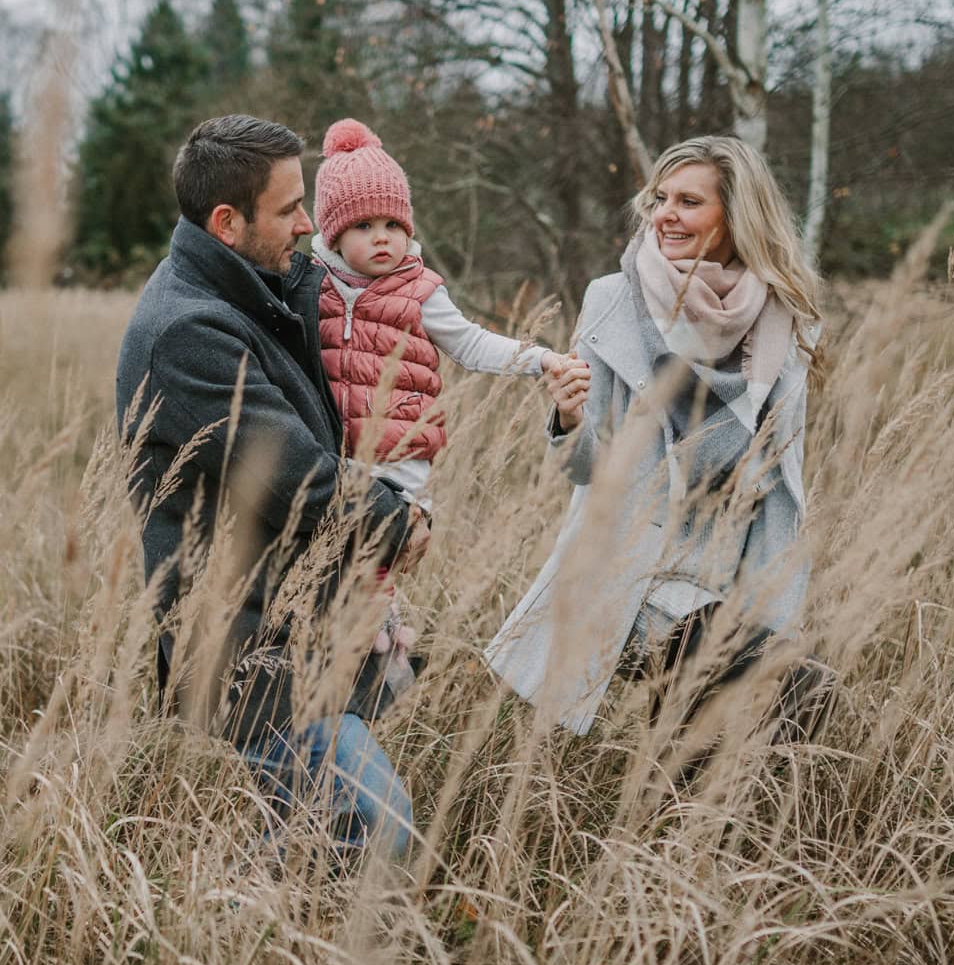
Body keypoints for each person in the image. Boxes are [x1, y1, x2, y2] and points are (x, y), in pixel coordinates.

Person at [115, 113, 431, 862]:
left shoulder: (261, 287)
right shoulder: (190, 332)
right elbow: (299, 477)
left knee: (307, 841)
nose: (309, 223)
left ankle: (255, 919)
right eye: (290, 208)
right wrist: (397, 521)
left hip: (306, 625)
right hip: (250, 651)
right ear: (227, 222)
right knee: (380, 826)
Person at [483, 134, 834, 747]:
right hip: (630, 570)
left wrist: (774, 606)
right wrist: (568, 420)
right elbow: (586, 469)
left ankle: (683, 809)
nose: (665, 215)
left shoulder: (783, 318)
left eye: (689, 202)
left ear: (737, 215)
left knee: (783, 700)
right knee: (763, 676)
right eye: (660, 198)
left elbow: (783, 481)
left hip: (725, 571)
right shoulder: (614, 300)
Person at [308, 118, 575, 697]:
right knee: (336, 570)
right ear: (333, 233)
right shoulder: (313, 287)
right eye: (363, 226)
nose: (382, 238)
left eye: (392, 225)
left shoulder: (420, 291)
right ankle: (375, 658)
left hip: (400, 460)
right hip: (336, 458)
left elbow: (473, 344)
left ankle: (386, 663)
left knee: (375, 562)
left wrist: (539, 359)